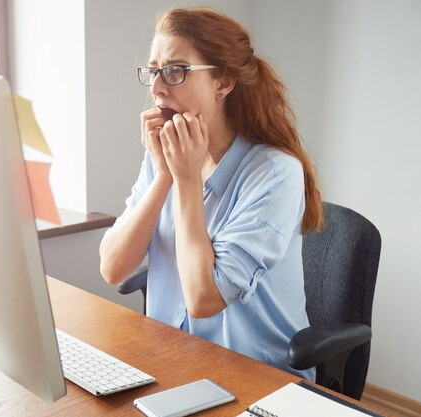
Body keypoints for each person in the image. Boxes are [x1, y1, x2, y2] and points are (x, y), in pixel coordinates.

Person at [99, 7, 323, 380]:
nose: (156, 88)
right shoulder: (165, 158)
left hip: (255, 379)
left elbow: (204, 300)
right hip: (174, 365)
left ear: (222, 82)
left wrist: (186, 181)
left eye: (175, 70)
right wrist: (164, 178)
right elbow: (112, 268)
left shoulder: (275, 173)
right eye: (153, 71)